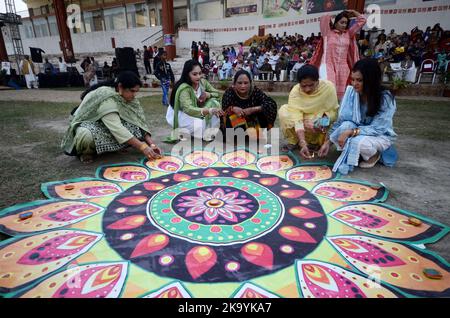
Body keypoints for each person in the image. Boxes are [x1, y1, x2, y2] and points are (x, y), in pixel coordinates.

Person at [61, 71, 162, 163]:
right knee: (85, 135)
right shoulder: (107, 97)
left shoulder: (131, 99)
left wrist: (151, 144)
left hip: (110, 127)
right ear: (120, 87)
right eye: (132, 91)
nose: (134, 95)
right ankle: (86, 153)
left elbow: (139, 122)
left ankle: (118, 147)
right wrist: (142, 147)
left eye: (136, 91)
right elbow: (116, 128)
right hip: (92, 124)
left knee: (133, 125)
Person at [329, 58, 398, 175]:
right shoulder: (351, 93)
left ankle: (375, 154)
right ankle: (358, 152)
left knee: (358, 143)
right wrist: (327, 142)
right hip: (357, 130)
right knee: (343, 128)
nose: (354, 84)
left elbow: (378, 129)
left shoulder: (385, 98)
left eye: (359, 80)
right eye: (353, 79)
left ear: (371, 80)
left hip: (378, 135)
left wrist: (350, 132)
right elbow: (341, 121)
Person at [278, 64, 339, 159]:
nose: (307, 89)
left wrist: (320, 121)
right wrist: (302, 142)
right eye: (304, 86)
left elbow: (333, 113)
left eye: (311, 85)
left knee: (319, 119)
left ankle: (316, 143)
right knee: (284, 111)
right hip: (302, 122)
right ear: (299, 84)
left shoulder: (328, 87)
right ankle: (295, 141)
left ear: (317, 81)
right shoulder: (295, 91)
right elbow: (296, 118)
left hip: (319, 122)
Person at [310, 10, 367, 100]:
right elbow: (324, 18)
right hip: (328, 65)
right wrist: (336, 15)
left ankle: (339, 111)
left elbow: (362, 20)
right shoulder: (327, 33)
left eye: (346, 23)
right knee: (329, 88)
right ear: (336, 23)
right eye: (342, 22)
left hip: (343, 67)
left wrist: (353, 12)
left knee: (342, 94)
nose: (344, 25)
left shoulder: (348, 34)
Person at [165, 60, 224, 143]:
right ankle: (185, 131)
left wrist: (208, 95)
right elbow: (188, 109)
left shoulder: (202, 82)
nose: (198, 77)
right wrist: (209, 110)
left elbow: (217, 94)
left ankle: (205, 133)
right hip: (183, 115)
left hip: (197, 111)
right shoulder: (184, 89)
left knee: (215, 103)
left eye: (200, 73)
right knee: (200, 124)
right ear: (187, 74)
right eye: (194, 74)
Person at [221, 70, 277, 139]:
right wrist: (233, 108)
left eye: (246, 83)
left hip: (252, 123)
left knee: (265, 109)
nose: (243, 86)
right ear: (234, 83)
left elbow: (271, 104)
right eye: (239, 83)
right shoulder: (229, 93)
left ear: (250, 83)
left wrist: (252, 109)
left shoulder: (256, 92)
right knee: (230, 117)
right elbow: (224, 111)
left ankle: (253, 135)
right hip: (234, 124)